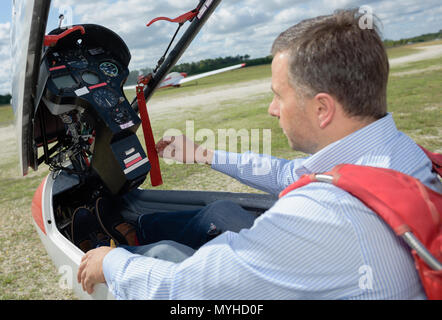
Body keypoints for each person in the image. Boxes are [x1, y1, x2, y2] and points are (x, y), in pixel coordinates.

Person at [77, 8, 442, 299]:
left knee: (165, 257)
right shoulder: (401, 153)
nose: (272, 108)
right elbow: (289, 175)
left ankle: (116, 243)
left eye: (279, 95)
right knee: (220, 212)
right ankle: (133, 229)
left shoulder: (323, 214)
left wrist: (112, 264)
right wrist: (205, 155)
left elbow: (186, 291)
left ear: (322, 109)